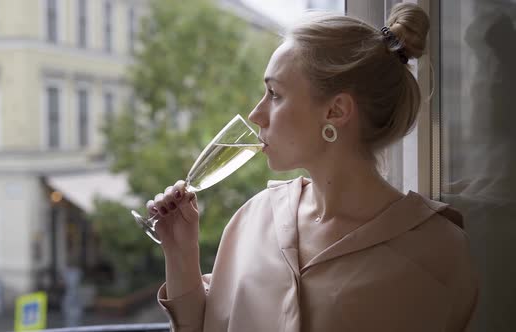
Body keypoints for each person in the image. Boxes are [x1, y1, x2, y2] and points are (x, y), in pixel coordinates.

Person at [146, 3, 478, 332]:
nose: (256, 114)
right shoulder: (253, 219)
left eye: (274, 94)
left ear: (336, 111)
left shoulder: (437, 252)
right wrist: (180, 255)